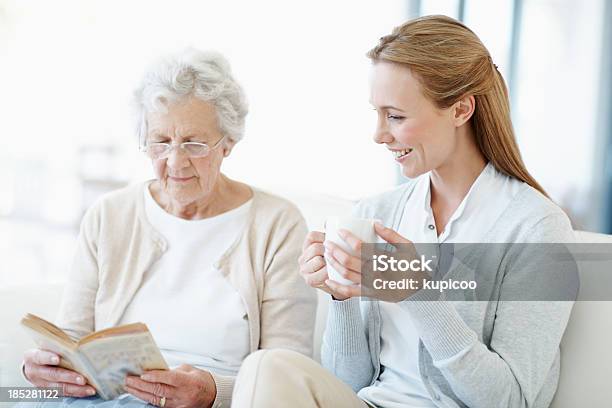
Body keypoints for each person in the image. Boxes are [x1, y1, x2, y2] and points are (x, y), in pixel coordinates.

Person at [232, 15, 577, 408]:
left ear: (462, 109)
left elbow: (510, 400)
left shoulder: (536, 228)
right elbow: (349, 382)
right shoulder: (378, 213)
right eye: (377, 114)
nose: (378, 134)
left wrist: (420, 294)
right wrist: (341, 297)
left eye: (395, 116)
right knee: (267, 367)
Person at [20, 48, 316, 408]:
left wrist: (212, 392)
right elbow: (73, 337)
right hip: (104, 398)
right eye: (160, 142)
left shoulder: (277, 224)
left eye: (193, 143)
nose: (175, 162)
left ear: (228, 144)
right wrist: (46, 369)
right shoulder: (109, 215)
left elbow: (286, 375)